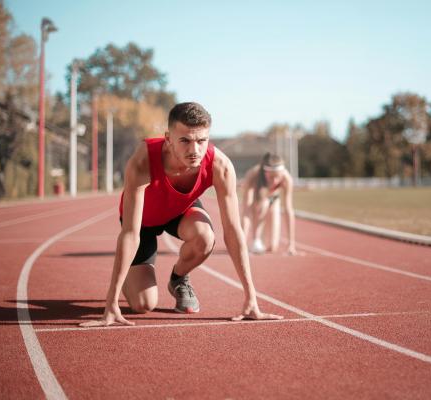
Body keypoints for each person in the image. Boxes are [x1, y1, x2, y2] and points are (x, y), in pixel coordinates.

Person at [80, 102, 282, 327]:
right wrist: (111, 304)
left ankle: (178, 278)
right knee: (143, 305)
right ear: (168, 138)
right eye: (185, 140)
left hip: (180, 211)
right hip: (143, 222)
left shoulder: (220, 166)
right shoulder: (143, 160)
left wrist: (251, 298)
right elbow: (130, 233)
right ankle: (129, 276)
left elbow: (234, 231)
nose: (194, 150)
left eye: (201, 141)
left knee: (205, 237)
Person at [240, 153, 297, 255]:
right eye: (271, 177)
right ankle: (256, 240)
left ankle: (264, 241)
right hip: (257, 199)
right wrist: (241, 242)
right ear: (265, 172)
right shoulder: (253, 175)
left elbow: (289, 210)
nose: (274, 181)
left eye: (277, 177)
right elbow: (246, 211)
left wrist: (291, 244)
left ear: (282, 172)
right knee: (262, 206)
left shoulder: (286, 179)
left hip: (274, 198)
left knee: (272, 247)